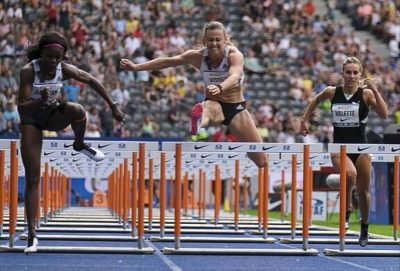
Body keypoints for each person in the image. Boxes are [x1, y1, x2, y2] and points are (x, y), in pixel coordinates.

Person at [17, 31, 124, 253]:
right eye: (50, 57)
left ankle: (79, 143)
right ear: (41, 53)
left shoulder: (63, 69)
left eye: (59, 57)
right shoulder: (29, 71)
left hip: (52, 117)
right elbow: (21, 107)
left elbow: (92, 80)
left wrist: (113, 106)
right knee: (33, 175)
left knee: (77, 109)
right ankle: (32, 233)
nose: (54, 62)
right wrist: (39, 101)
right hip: (31, 121)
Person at [120, 21, 266, 168]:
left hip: (236, 108)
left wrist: (220, 87)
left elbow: (234, 76)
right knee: (207, 109)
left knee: (261, 161)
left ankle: (244, 148)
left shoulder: (234, 55)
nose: (214, 43)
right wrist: (136, 67)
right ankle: (197, 124)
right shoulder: (197, 56)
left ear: (225, 40)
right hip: (214, 104)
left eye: (218, 40)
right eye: (210, 40)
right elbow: (165, 62)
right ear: (204, 41)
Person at [301, 56, 388, 247]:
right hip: (338, 147)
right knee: (350, 174)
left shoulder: (365, 94)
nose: (351, 76)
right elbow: (316, 99)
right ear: (342, 74)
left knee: (364, 192)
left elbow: (384, 114)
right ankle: (347, 210)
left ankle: (364, 228)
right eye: (348, 72)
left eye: (355, 72)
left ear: (359, 74)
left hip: (360, 147)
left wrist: (374, 89)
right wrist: (304, 119)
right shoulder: (332, 92)